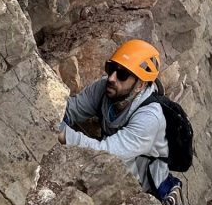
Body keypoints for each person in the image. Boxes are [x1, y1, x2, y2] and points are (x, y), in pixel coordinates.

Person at [57, 38, 169, 194]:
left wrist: (64, 134)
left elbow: (107, 154)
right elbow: (70, 109)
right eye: (111, 69)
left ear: (141, 85)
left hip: (142, 184)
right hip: (117, 161)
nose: (111, 78)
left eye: (122, 74)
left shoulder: (149, 118)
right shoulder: (103, 88)